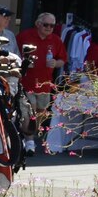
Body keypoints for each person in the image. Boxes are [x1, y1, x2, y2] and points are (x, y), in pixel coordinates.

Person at [16, 12, 66, 151]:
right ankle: (29, 141)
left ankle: (28, 134)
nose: (49, 28)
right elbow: (13, 55)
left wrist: (55, 63)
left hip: (45, 85)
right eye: (46, 24)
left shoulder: (56, 40)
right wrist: (23, 63)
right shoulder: (24, 36)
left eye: (52, 25)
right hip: (26, 83)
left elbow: (63, 60)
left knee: (41, 114)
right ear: (38, 24)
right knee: (29, 112)